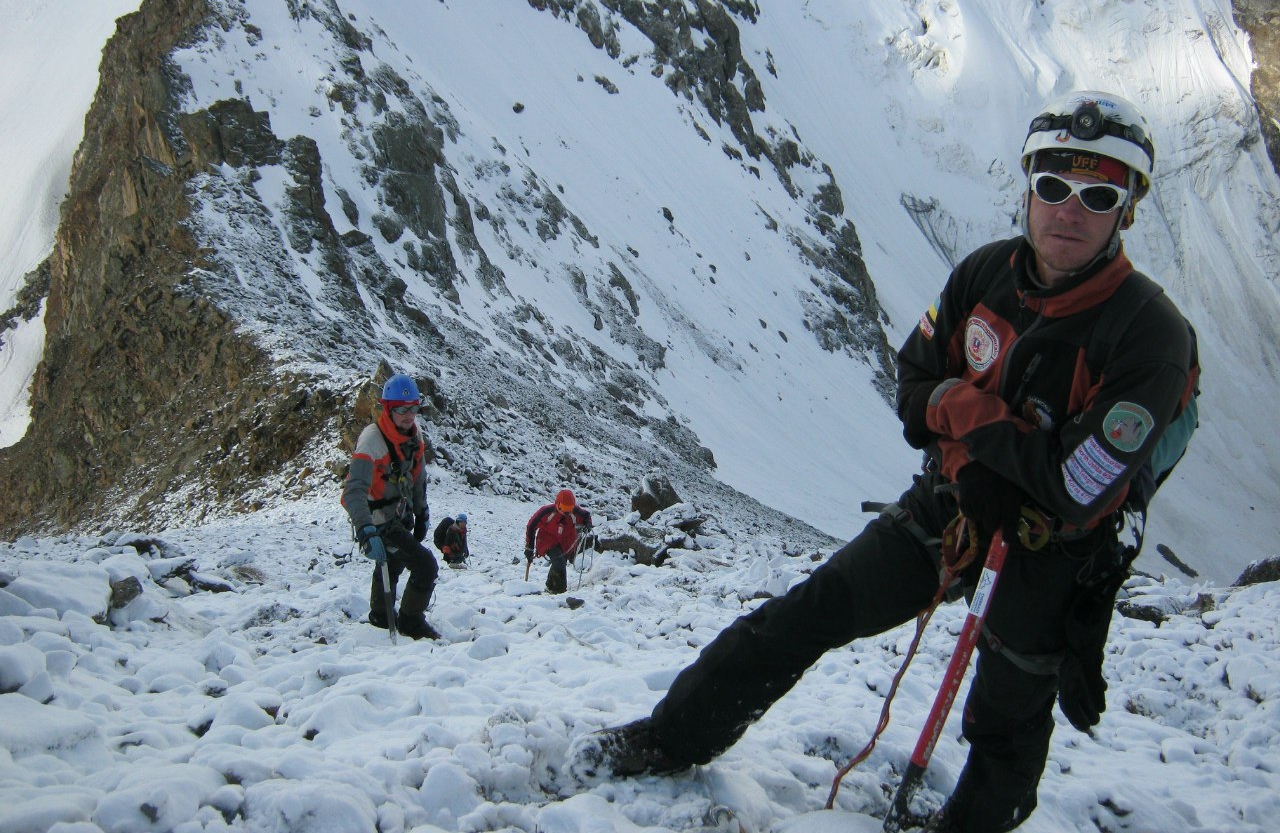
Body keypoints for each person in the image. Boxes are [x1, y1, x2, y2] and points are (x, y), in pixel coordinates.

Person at [574, 91, 1198, 832]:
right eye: (1053, 187)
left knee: (1006, 715)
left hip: (1053, 549)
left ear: (1126, 211)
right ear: (1028, 189)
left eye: (1098, 196)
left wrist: (958, 411)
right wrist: (973, 455)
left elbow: (1073, 486)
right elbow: (912, 383)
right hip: (954, 504)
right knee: (799, 618)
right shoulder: (982, 275)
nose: (1069, 210)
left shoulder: (1153, 337)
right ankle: (669, 737)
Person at [342, 374, 440, 640]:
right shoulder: (371, 441)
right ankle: (410, 622)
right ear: (388, 408)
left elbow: (418, 475)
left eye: (413, 408)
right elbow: (352, 492)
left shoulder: (413, 433)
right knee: (426, 566)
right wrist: (365, 530)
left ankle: (380, 615)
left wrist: (422, 512)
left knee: (393, 563)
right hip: (379, 520)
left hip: (400, 514)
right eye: (401, 409)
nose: (409, 415)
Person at [524, 488, 593, 593]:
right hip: (547, 541)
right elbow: (531, 526)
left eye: (569, 510)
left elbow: (586, 516)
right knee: (559, 562)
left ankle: (550, 586)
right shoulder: (545, 512)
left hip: (566, 542)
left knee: (560, 562)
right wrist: (529, 547)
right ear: (557, 504)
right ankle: (560, 592)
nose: (566, 513)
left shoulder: (576, 512)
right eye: (563, 510)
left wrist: (588, 524)